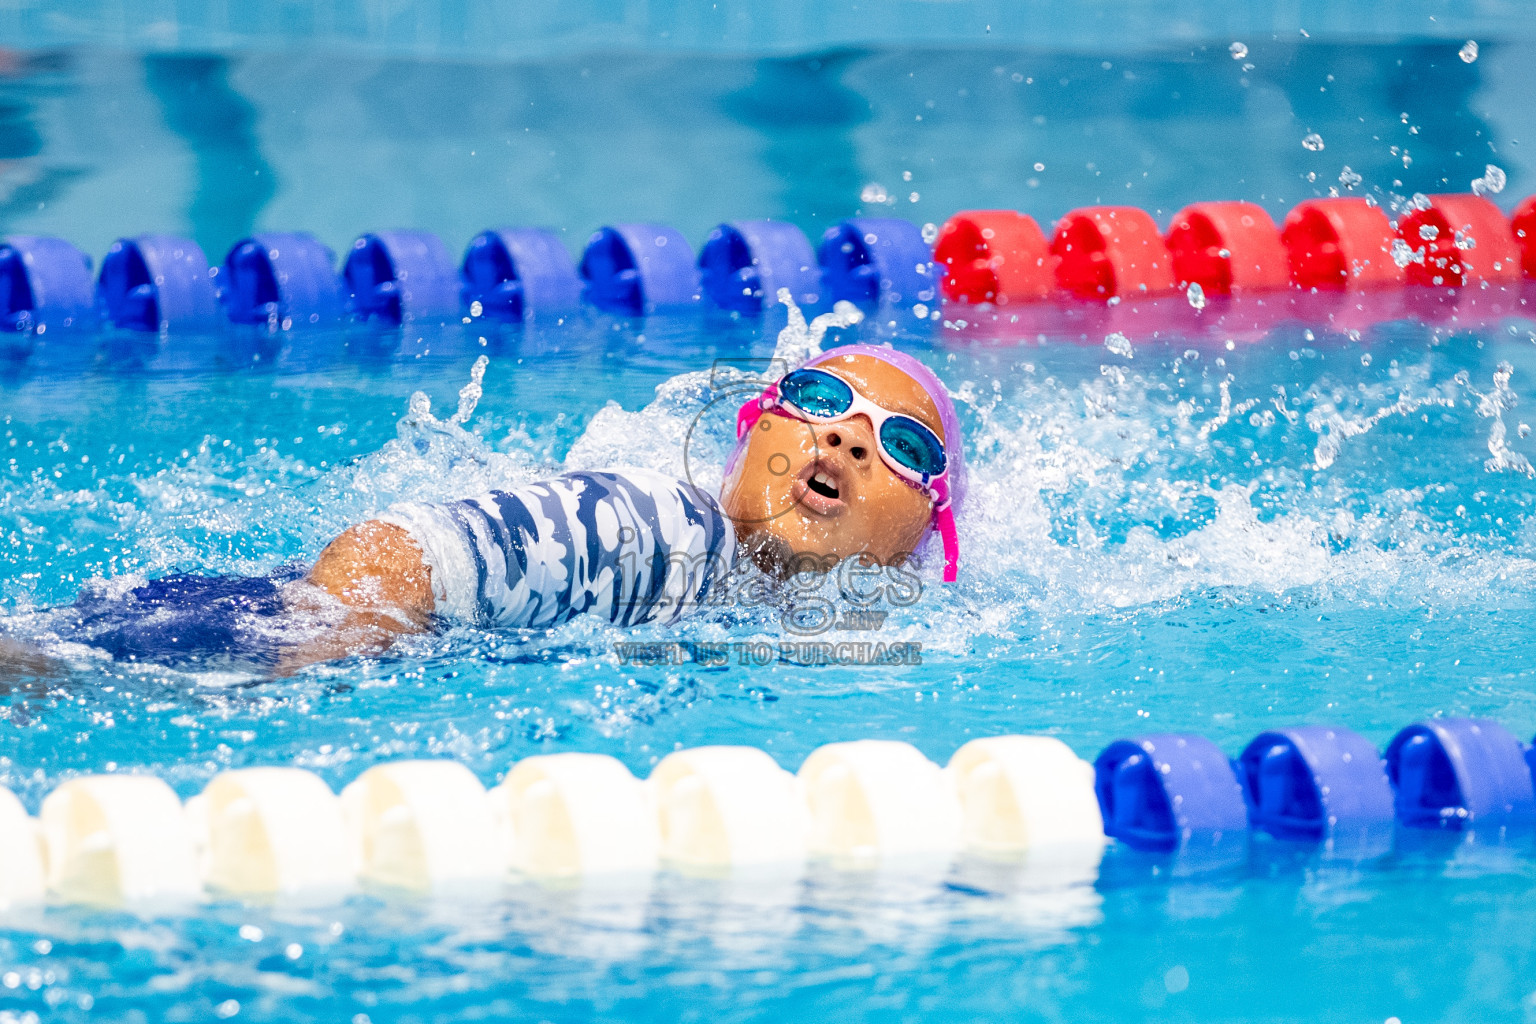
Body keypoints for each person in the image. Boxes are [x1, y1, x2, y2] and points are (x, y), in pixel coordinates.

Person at [6, 344, 965, 675]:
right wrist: (308, 656)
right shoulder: (662, 527)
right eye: (821, 399)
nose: (847, 440)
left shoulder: (818, 623)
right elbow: (393, 551)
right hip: (218, 634)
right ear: (751, 432)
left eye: (903, 446)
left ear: (927, 533)